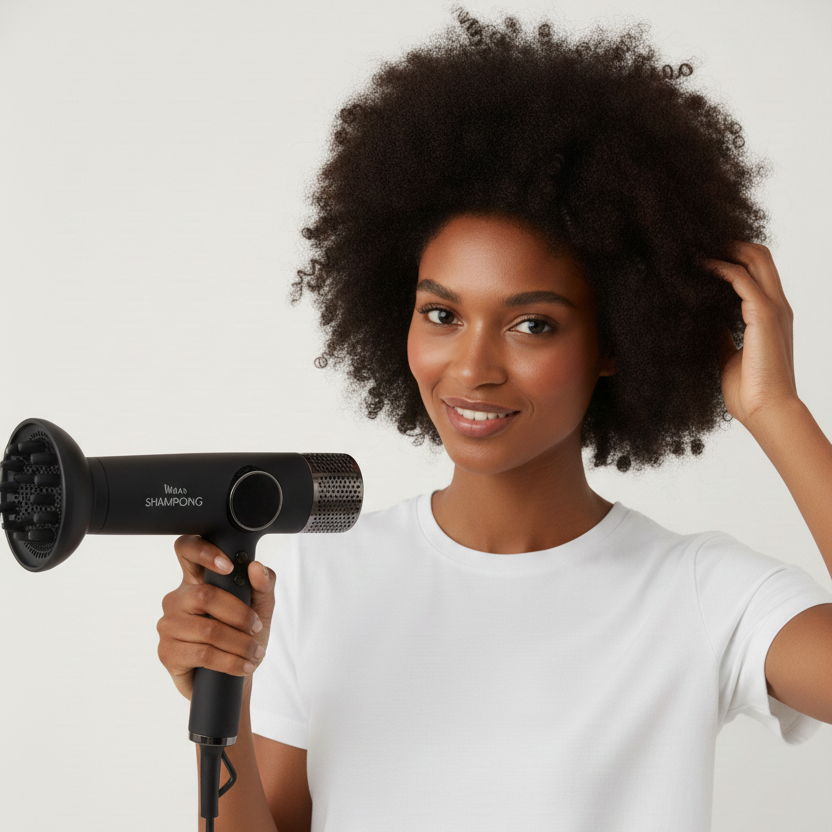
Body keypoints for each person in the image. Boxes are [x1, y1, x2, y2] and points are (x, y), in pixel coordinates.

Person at [155, 9, 832, 831]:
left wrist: (777, 410)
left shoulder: (700, 593)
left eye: (532, 323)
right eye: (442, 315)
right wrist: (218, 703)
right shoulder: (311, 581)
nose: (471, 368)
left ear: (617, 339)